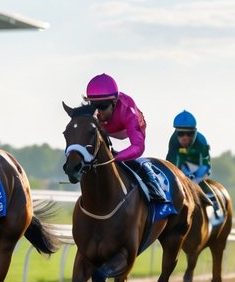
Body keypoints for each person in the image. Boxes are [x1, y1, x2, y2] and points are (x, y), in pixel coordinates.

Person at [83, 73, 174, 220]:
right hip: (105, 130)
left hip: (126, 129)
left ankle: (159, 197)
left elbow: (138, 147)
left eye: (103, 107)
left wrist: (116, 157)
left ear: (114, 102)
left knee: (135, 162)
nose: (98, 112)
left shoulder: (128, 110)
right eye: (94, 106)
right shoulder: (94, 112)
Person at [166, 110, 221, 220]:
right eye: (181, 134)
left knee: (197, 181)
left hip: (198, 165)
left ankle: (214, 202)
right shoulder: (173, 140)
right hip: (182, 163)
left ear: (195, 132)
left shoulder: (201, 141)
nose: (184, 137)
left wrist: (195, 180)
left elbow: (206, 166)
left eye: (189, 134)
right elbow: (169, 163)